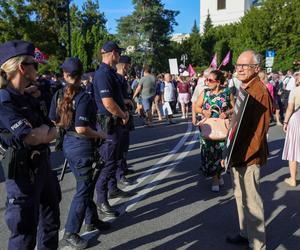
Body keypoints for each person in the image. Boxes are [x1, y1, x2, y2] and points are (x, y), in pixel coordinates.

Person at [0, 40, 61, 249]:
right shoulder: (4, 99)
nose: (37, 68)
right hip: (22, 176)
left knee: (51, 223)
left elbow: (50, 128)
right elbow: (30, 137)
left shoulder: (28, 96)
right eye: (34, 64)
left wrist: (46, 133)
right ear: (22, 68)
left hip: (42, 167)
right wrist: (45, 133)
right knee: (24, 234)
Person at [50, 57, 109, 249]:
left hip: (68, 143)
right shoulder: (82, 96)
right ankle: (70, 231)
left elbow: (54, 120)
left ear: (65, 75)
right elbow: (82, 128)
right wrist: (99, 133)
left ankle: (91, 219)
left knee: (86, 184)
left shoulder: (58, 93)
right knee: (83, 189)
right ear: (80, 74)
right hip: (81, 145)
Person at [224, 50, 272, 250]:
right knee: (240, 197)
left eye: (245, 66)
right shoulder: (245, 87)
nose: (240, 69)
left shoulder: (259, 91)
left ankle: (258, 245)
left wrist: (237, 155)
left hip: (248, 157)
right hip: (237, 154)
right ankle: (246, 234)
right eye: (238, 65)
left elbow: (259, 133)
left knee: (252, 202)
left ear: (256, 69)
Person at [93, 41, 132, 218]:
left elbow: (115, 98)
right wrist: (123, 115)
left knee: (115, 159)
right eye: (118, 53)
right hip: (108, 124)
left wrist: (125, 106)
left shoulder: (109, 73)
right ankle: (101, 201)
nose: (119, 56)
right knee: (108, 164)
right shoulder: (103, 74)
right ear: (113, 53)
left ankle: (112, 189)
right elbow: (108, 103)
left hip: (115, 124)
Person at [195, 70, 235, 192]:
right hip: (208, 128)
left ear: (218, 82)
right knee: (209, 155)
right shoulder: (205, 92)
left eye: (210, 80)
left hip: (222, 128)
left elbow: (235, 108)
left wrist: (226, 113)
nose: (207, 82)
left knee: (220, 154)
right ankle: (217, 175)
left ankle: (216, 178)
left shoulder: (227, 93)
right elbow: (196, 107)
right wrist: (203, 111)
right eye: (207, 80)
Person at [115, 55, 135, 184]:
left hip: (127, 114)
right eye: (128, 65)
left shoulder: (123, 79)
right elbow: (114, 99)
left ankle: (124, 167)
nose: (129, 67)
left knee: (125, 145)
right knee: (120, 147)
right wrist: (127, 100)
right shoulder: (116, 79)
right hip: (120, 117)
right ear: (123, 65)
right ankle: (119, 174)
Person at [282, 71, 300, 187]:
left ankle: (293, 179)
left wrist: (285, 122)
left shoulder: (295, 90)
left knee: (293, 149)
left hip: (296, 119)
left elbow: (290, 108)